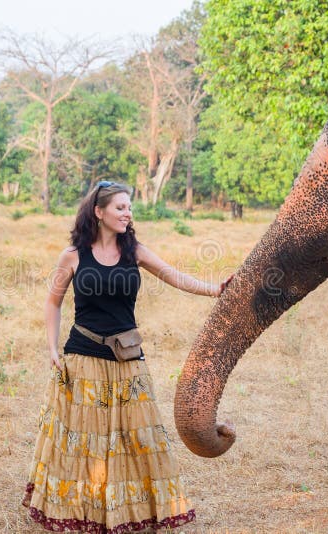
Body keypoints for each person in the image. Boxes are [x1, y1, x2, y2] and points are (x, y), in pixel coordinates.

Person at [22, 181, 228, 533]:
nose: (127, 213)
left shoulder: (135, 252)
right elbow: (53, 301)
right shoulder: (73, 255)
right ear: (98, 212)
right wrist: (53, 348)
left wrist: (215, 289)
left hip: (127, 360)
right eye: (120, 207)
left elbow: (174, 276)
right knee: (83, 442)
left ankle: (132, 512)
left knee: (136, 440)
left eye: (129, 208)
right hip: (82, 358)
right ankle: (81, 511)